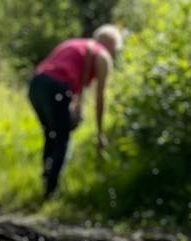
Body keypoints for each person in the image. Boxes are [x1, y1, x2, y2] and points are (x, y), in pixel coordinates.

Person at [28, 24, 122, 198]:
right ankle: (51, 191)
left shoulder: (74, 44)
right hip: (56, 87)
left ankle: (46, 177)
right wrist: (100, 132)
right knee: (62, 137)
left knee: (51, 133)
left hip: (36, 84)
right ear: (112, 45)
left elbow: (61, 72)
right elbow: (100, 98)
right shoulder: (103, 56)